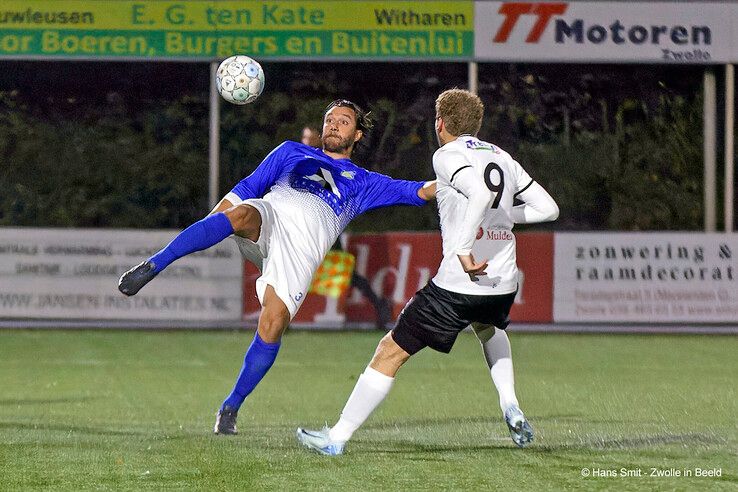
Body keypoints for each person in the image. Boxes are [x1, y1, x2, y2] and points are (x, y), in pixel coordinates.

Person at [118, 99, 437, 435]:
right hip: (270, 218)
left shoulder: (363, 181)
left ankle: (230, 407)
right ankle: (153, 265)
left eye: (343, 122)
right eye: (329, 119)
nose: (333, 125)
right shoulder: (290, 152)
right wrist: (215, 220)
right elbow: (247, 188)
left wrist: (458, 179)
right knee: (240, 214)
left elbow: (416, 191)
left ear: (357, 134)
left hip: (299, 253)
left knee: (273, 324)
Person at [296, 89, 559, 455]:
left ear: (440, 123)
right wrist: (504, 218)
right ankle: (510, 404)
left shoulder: (447, 154)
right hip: (503, 283)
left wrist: (465, 250)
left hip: (459, 283)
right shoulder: (501, 156)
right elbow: (549, 209)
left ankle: (336, 437)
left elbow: (481, 195)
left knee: (389, 351)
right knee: (488, 327)